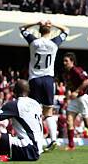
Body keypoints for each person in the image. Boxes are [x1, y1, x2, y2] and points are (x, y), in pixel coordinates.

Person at [19, 19, 69, 152]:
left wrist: (36, 22)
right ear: (50, 30)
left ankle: (38, 142)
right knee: (49, 112)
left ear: (39, 30)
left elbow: (22, 28)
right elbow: (66, 30)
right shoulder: (54, 43)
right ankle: (53, 139)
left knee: (35, 112)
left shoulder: (34, 42)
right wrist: (53, 24)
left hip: (35, 79)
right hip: (48, 80)